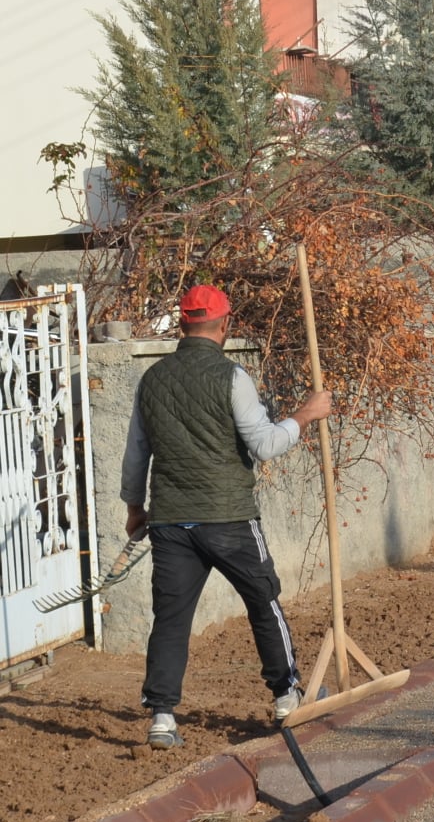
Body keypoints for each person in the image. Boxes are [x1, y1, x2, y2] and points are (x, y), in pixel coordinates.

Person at [120, 284, 332, 750]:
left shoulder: (152, 379)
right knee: (264, 601)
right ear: (225, 325)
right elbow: (265, 445)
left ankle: (162, 717)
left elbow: (137, 453)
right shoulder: (232, 377)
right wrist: (307, 414)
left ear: (182, 325)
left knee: (171, 618)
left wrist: (135, 509)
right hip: (229, 518)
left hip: (171, 522)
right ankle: (286, 697)